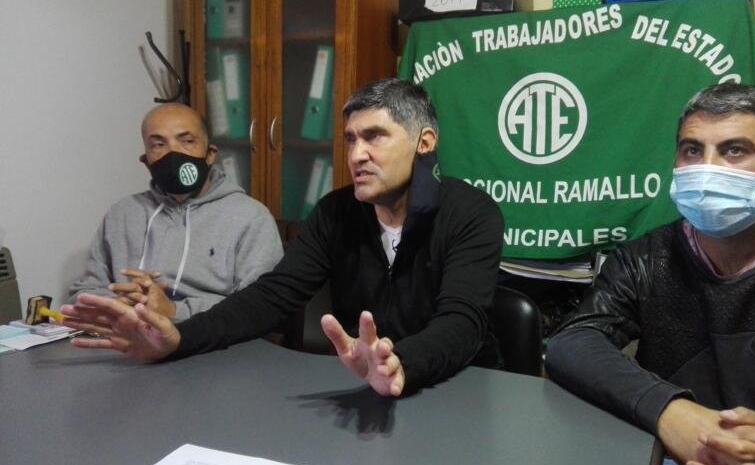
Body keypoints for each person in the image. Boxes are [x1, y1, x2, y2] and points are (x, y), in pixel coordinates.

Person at [63, 79, 504, 396]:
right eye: (350, 139)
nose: (356, 154)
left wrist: (400, 364)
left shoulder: (471, 213)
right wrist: (180, 339)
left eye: (374, 137)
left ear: (424, 143)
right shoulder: (335, 212)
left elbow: (462, 322)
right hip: (361, 388)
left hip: (454, 387)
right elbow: (272, 296)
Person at [547, 83, 755, 465]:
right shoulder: (646, 257)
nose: (707, 168)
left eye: (734, 150)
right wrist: (671, 413)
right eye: (692, 150)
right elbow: (573, 341)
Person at [67, 103, 283, 322]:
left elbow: (259, 308)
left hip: (210, 338)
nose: (173, 153)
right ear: (146, 161)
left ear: (210, 154)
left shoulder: (251, 217)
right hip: (126, 335)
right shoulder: (122, 214)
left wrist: (172, 311)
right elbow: (83, 293)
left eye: (187, 141)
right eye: (158, 144)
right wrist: (119, 305)